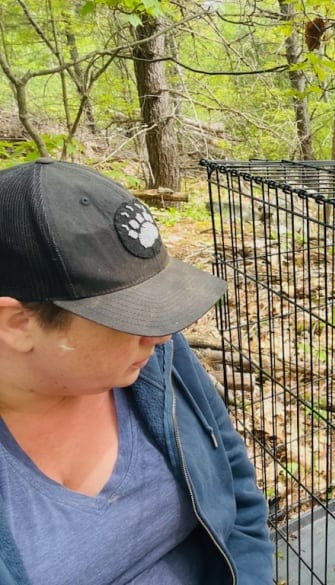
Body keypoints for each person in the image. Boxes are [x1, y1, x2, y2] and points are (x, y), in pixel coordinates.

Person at [0, 158, 274, 584]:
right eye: (129, 317)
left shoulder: (153, 360)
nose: (164, 336)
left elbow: (235, 491)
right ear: (16, 325)